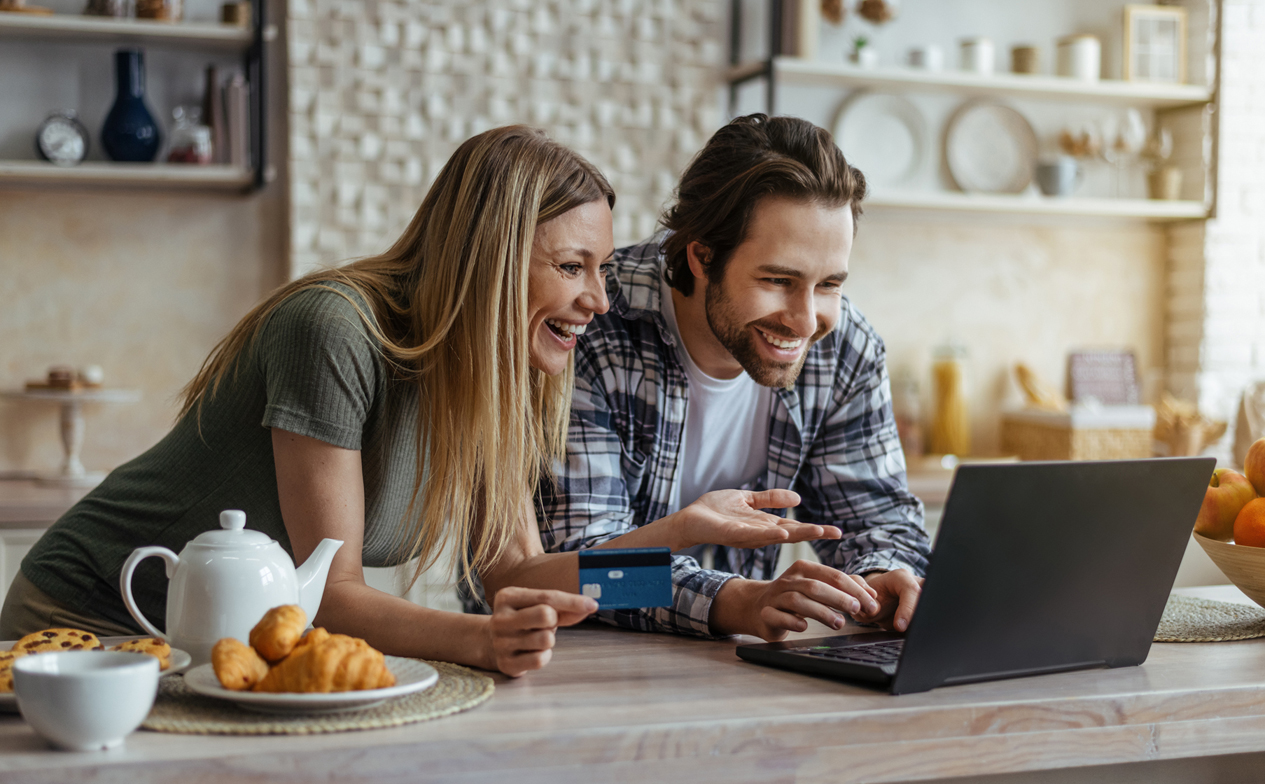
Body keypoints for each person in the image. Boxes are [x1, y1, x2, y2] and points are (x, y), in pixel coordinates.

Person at [1, 126, 617, 676]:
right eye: (571, 266)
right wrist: (482, 638)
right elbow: (331, 594)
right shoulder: (332, 328)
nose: (599, 299)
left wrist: (673, 558)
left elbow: (516, 574)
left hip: (222, 650)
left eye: (602, 270)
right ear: (491, 260)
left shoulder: (493, 380)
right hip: (93, 620)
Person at [527, 114, 933, 640]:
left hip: (736, 662)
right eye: (778, 280)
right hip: (570, 664)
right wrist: (735, 600)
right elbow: (582, 571)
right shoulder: (590, 325)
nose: (807, 321)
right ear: (701, 255)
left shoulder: (844, 349)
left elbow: (880, 519)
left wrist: (884, 576)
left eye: (829, 284)